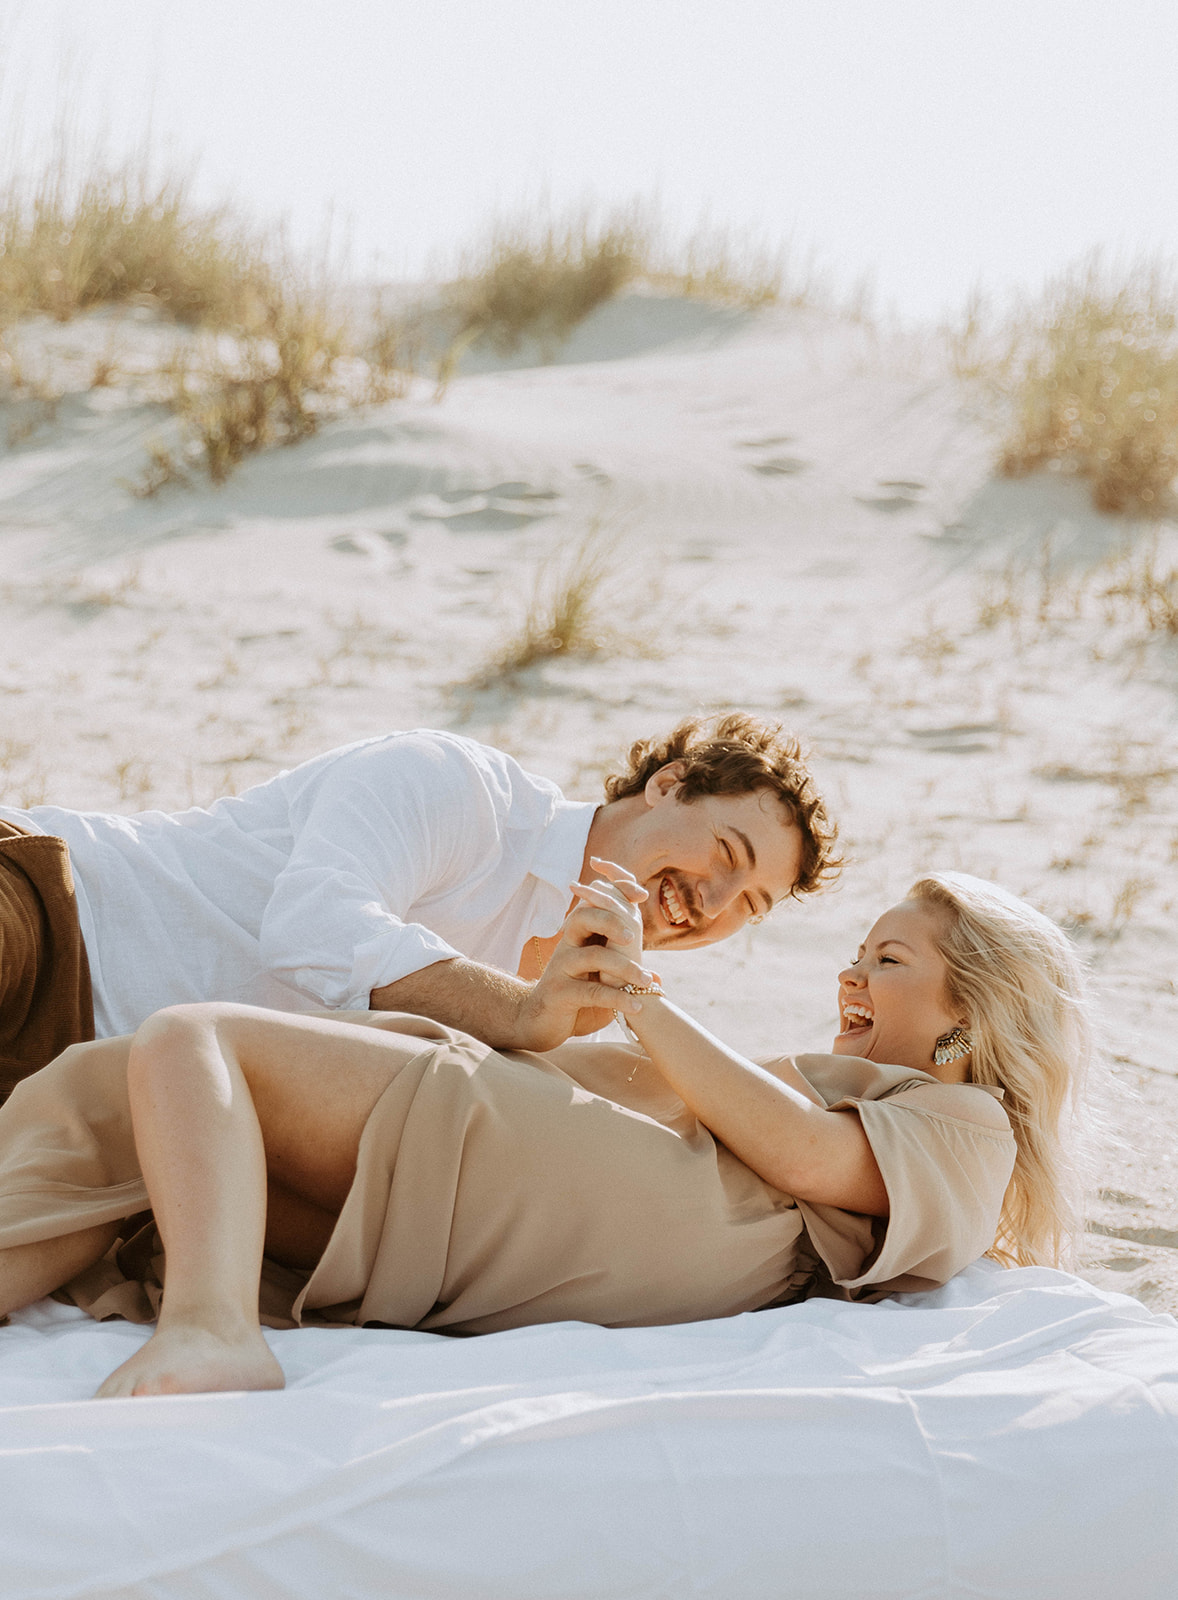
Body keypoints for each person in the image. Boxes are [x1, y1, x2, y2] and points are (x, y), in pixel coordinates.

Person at [0, 867, 1090, 1399]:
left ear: (967, 1015)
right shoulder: (861, 1086)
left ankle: (211, 1327)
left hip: (594, 1197)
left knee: (195, 1042)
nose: (849, 973)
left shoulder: (965, 1120)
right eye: (856, 952)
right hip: (559, 1186)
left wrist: (640, 997)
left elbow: (807, 1157)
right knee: (129, 1104)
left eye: (888, 961)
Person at [0, 714, 839, 1097]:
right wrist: (522, 1012)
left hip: (77, 1090)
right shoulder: (461, 788)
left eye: (750, 904)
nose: (716, 900)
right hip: (61, 916)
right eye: (726, 854)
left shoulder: (588, 998)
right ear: (669, 786)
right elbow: (314, 927)